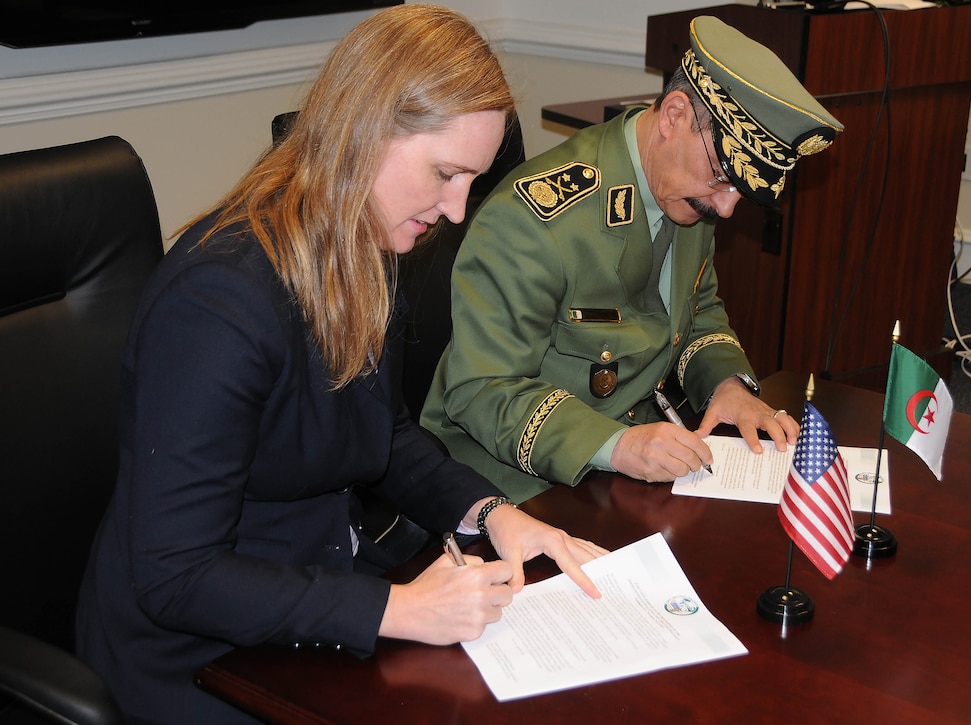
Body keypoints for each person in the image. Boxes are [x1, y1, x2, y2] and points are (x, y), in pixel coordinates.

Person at [75, 6, 605, 723]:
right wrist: (397, 605)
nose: (454, 212)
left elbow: (381, 436)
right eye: (446, 174)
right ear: (367, 132)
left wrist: (492, 512)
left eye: (469, 184)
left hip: (309, 597)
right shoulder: (218, 301)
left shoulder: (366, 248)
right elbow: (174, 575)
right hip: (193, 656)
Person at [421, 17, 844, 503]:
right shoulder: (533, 222)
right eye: (725, 177)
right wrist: (616, 445)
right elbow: (483, 389)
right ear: (674, 116)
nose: (726, 208)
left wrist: (727, 385)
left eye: (741, 193)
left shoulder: (685, 193)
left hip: (627, 465)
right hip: (511, 486)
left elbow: (696, 310)